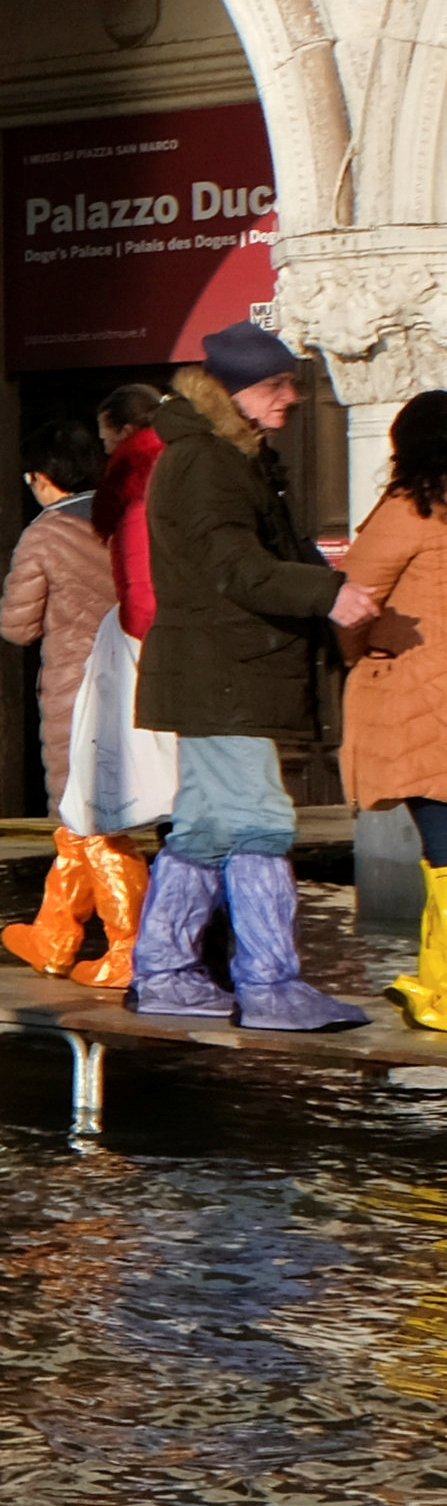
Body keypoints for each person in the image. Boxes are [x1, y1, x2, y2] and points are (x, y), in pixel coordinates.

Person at [131, 322, 383, 1028]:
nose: (291, 398)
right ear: (234, 393)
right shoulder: (205, 463)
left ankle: (164, 971)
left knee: (208, 827)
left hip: (222, 670)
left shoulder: (233, 457)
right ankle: (269, 984)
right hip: (223, 672)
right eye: (275, 387)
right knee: (258, 821)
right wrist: (325, 593)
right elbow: (232, 567)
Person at [0, 405, 142, 978]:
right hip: (137, 677)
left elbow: (17, 626)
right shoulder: (129, 517)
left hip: (75, 689)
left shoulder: (46, 533)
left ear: (41, 476)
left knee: (97, 819)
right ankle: (55, 935)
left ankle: (128, 949)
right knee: (85, 819)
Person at [341, 390, 447, 1031]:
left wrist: (356, 655)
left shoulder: (411, 506)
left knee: (441, 834)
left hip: (421, 690)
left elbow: (356, 597)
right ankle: (435, 978)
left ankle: (441, 990)